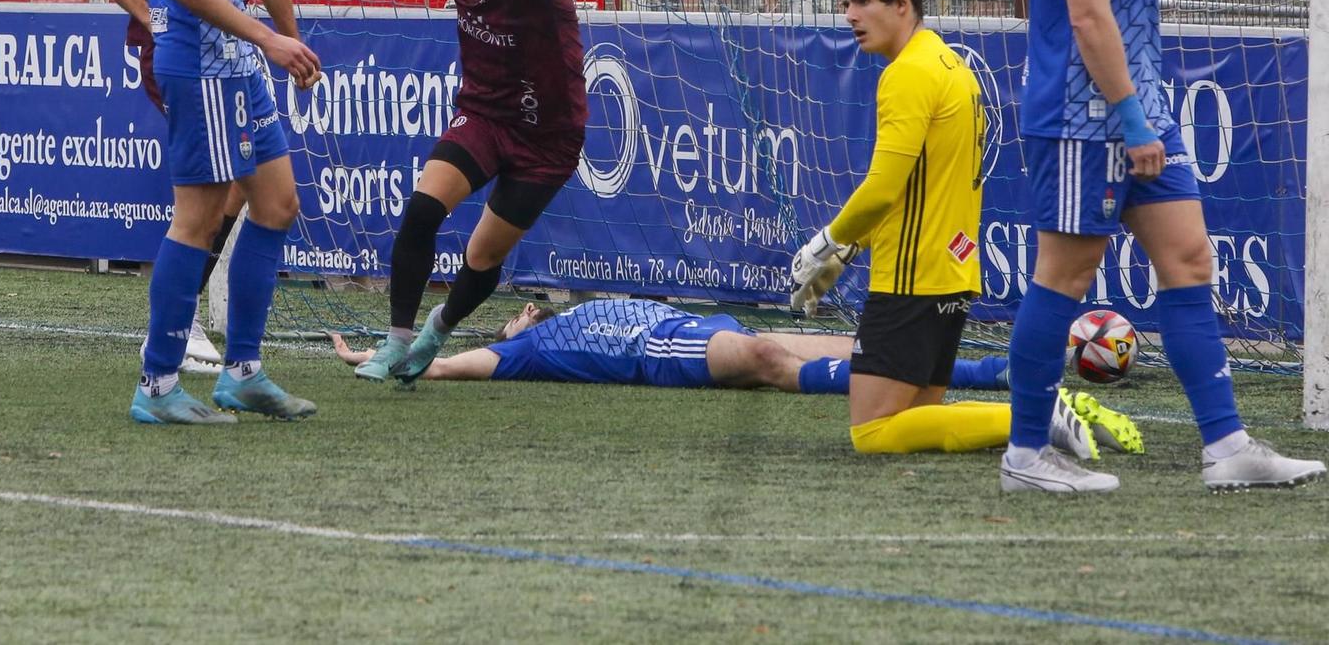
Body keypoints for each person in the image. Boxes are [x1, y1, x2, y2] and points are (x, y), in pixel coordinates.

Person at [1001, 0, 1323, 493]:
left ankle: (1228, 447)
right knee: (1067, 273)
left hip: (1141, 108)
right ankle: (1024, 457)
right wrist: (1132, 120)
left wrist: (1147, 113)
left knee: (1188, 259)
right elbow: (1088, 18)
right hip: (1086, 119)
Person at [789, 0, 1136, 461]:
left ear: (903, 4)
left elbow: (883, 187)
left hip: (911, 277)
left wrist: (826, 243)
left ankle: (1036, 415)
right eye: (845, 3)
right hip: (953, 272)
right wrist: (851, 245)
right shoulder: (952, 65)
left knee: (873, 432)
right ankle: (1047, 413)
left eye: (862, 1)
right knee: (915, 420)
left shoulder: (907, 74)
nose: (850, 16)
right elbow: (913, 186)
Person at [296, 0, 586, 382]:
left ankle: (437, 331)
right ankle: (397, 339)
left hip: (547, 140)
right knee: (424, 208)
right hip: (482, 116)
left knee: (482, 257)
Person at [129, 0, 322, 425]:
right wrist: (268, 36)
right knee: (201, 215)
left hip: (234, 62)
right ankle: (156, 383)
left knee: (276, 205)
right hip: (203, 63)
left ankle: (242, 371)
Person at [98, 0, 310, 373]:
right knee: (219, 196)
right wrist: (152, 20)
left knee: (268, 196)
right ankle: (175, 336)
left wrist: (294, 46)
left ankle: (234, 362)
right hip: (188, 54)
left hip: (233, 54)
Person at [332, 298, 1014, 398]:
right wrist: (376, 355)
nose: (526, 313)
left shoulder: (564, 310)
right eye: (515, 317)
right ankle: (884, 394)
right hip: (662, 351)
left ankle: (989, 371)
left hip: (693, 320)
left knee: (857, 341)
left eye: (526, 311)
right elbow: (448, 363)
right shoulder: (523, 351)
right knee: (766, 359)